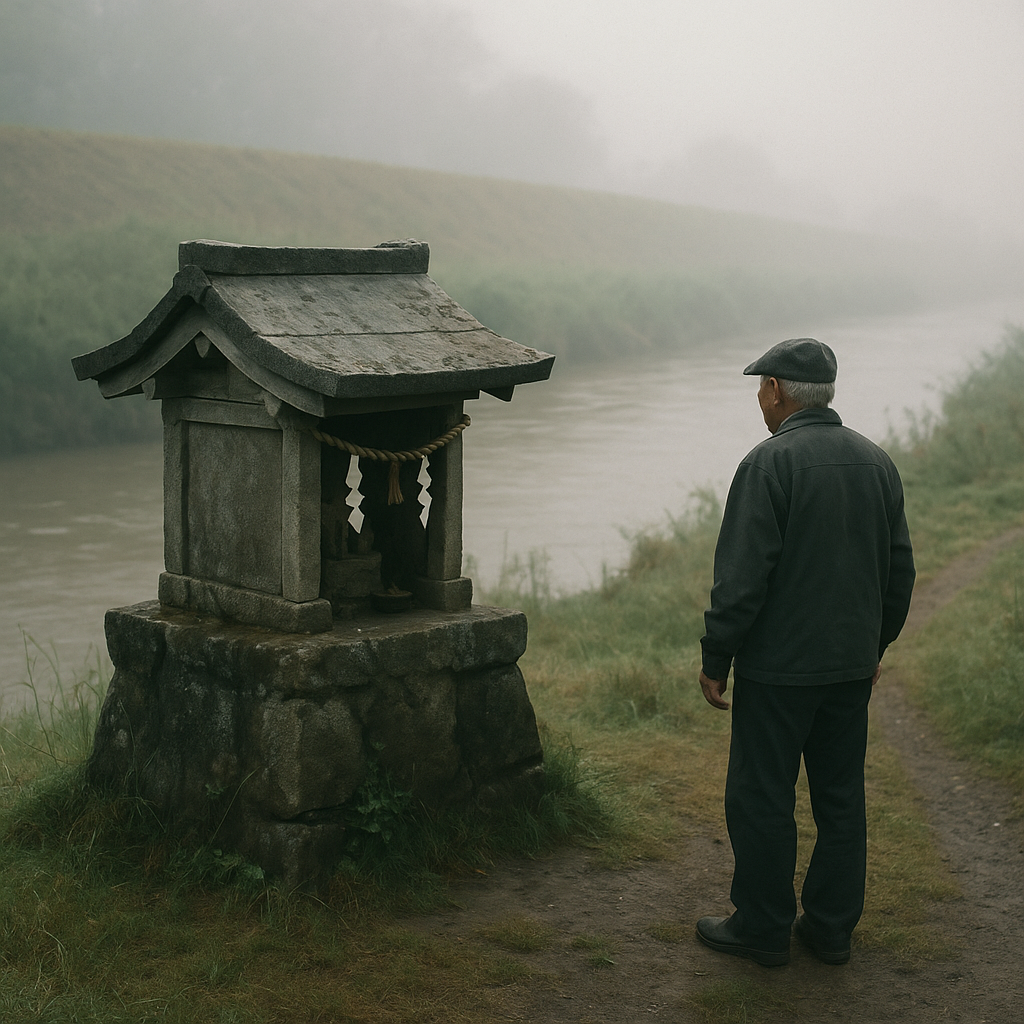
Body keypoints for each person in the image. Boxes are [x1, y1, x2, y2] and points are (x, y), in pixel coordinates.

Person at [695, 337, 915, 967]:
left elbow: (741, 582)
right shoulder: (877, 462)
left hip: (777, 672)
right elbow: (900, 572)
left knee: (762, 796)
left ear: (776, 390)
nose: (759, 399)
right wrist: (874, 647)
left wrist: (716, 658)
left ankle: (763, 929)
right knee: (841, 799)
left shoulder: (768, 465)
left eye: (760, 387)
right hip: (849, 670)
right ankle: (830, 929)